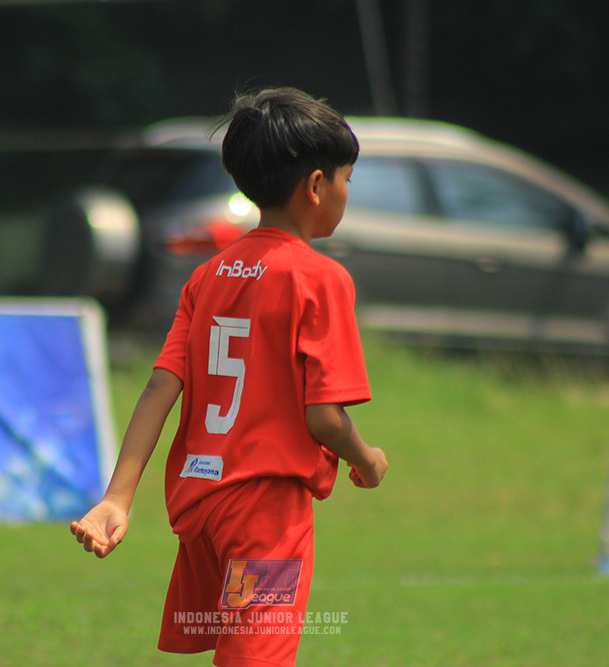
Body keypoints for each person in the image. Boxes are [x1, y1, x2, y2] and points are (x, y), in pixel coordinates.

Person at [70, 87, 388, 667]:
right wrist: (366, 459)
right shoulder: (320, 279)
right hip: (264, 514)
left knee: (244, 655)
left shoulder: (208, 275)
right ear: (317, 186)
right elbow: (323, 417)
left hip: (206, 506)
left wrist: (118, 497)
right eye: (347, 178)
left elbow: (160, 386)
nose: (346, 192)